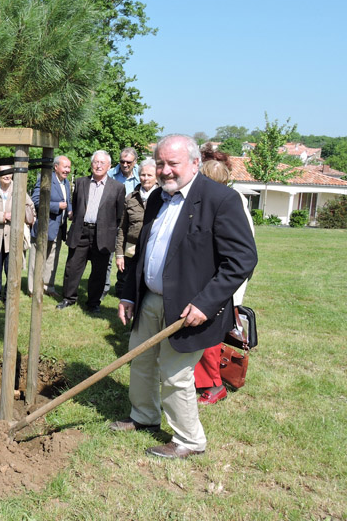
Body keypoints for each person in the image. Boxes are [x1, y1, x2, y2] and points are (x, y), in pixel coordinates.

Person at [115, 135, 257, 459]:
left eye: (172, 163)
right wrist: (129, 295)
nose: (165, 170)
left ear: (194, 163)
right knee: (141, 360)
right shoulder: (157, 197)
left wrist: (206, 303)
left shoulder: (220, 200)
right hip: (150, 299)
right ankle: (144, 415)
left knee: (175, 374)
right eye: (160, 163)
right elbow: (143, 250)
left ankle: (190, 440)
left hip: (189, 309)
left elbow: (243, 259)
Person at [194, 155, 255, 405]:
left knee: (208, 338)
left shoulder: (230, 201)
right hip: (208, 282)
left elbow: (242, 254)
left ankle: (214, 385)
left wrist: (227, 290)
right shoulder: (211, 199)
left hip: (219, 285)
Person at [56, 150, 125, 314]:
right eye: (96, 162)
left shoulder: (118, 187)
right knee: (73, 267)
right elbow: (76, 205)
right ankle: (69, 298)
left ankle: (93, 303)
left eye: (102, 163)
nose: (98, 166)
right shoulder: (81, 183)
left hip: (103, 235)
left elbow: (119, 215)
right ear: (91, 164)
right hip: (81, 231)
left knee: (99, 272)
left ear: (109, 166)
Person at [0, 165, 35, 306]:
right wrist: (3, 216)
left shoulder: (19, 188)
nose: (7, 175)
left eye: (9, 172)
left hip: (13, 235)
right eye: (3, 172)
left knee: (11, 269)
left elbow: (30, 207)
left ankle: (8, 296)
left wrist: (25, 217)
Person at [28, 155, 71, 298]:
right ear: (56, 167)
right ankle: (32, 289)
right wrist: (56, 206)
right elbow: (36, 201)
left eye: (69, 167)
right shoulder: (45, 179)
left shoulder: (66, 182)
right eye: (65, 167)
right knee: (36, 258)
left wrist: (70, 211)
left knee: (52, 259)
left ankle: (48, 287)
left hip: (59, 228)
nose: (67, 170)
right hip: (44, 227)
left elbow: (68, 201)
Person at [114, 158, 157, 298]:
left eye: (149, 175)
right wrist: (119, 254)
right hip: (131, 249)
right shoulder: (131, 198)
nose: (146, 178)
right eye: (143, 175)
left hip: (153, 249)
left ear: (157, 177)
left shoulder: (163, 198)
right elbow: (122, 228)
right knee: (125, 286)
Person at [104, 147, 141, 298]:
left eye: (128, 162)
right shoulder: (110, 174)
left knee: (128, 256)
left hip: (131, 224)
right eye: (122, 161)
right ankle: (103, 288)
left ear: (135, 162)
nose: (125, 165)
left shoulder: (142, 175)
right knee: (107, 257)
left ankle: (123, 289)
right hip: (112, 221)